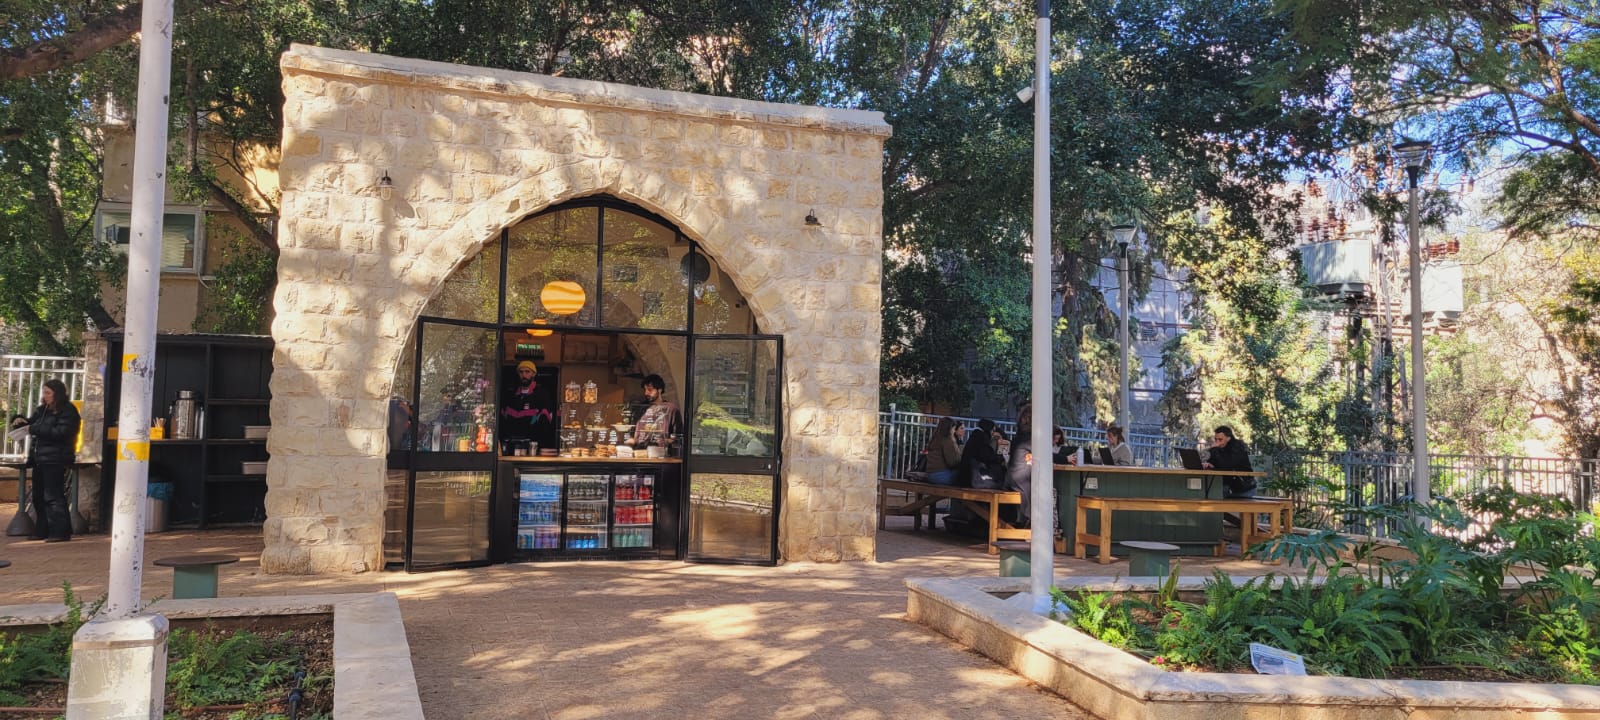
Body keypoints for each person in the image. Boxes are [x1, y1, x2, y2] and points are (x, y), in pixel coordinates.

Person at [9, 379, 79, 542]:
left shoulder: (68, 411)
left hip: (56, 458)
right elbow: (32, 423)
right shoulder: (43, 410)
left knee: (53, 496)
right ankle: (42, 529)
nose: (45, 396)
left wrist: (34, 428)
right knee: (38, 496)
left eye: (48, 393)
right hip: (40, 458)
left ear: (57, 394)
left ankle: (60, 531)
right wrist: (20, 421)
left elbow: (62, 432)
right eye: (44, 392)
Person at [501, 361, 557, 452]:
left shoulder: (542, 395)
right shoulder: (511, 395)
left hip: (535, 447)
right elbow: (504, 422)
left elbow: (546, 424)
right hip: (512, 447)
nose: (524, 375)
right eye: (521, 372)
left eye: (527, 372)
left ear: (533, 374)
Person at [631, 374, 683, 453]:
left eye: (650, 390)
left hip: (662, 454)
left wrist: (664, 442)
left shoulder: (671, 409)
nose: (646, 393)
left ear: (659, 390)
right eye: (645, 390)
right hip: (641, 453)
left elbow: (678, 436)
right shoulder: (641, 408)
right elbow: (635, 434)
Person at [1004, 404, 1035, 526]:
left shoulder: (1019, 436)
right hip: (1019, 479)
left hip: (1010, 477)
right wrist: (1066, 458)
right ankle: (1025, 521)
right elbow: (1044, 454)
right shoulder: (1030, 438)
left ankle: (1022, 521)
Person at [1204, 425, 1255, 497]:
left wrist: (1214, 450)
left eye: (1220, 439)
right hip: (1227, 486)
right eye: (1216, 439)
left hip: (1243, 487)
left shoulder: (1237, 447)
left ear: (1228, 438)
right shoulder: (1220, 448)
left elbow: (1227, 465)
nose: (1217, 442)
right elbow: (1216, 462)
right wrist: (1209, 464)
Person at [923, 417, 962, 486]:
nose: (954, 431)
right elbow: (952, 462)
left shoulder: (935, 438)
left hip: (930, 475)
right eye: (953, 429)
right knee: (966, 475)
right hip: (942, 476)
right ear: (949, 429)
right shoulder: (947, 440)